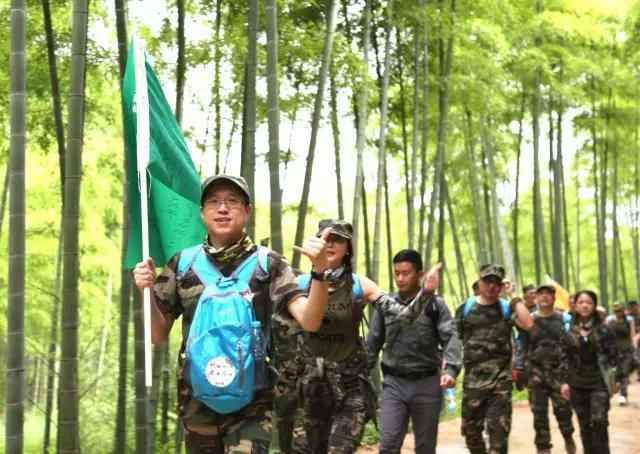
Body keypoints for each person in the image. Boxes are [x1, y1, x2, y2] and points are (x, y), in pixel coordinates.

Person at [133, 174, 332, 454]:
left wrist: (320, 271)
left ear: (247, 211)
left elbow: (310, 320)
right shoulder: (183, 264)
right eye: (213, 202)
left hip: (253, 401)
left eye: (232, 201)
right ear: (202, 213)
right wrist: (145, 292)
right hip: (197, 399)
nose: (223, 208)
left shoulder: (268, 263)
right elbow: (157, 334)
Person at [292, 220, 442, 454]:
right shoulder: (299, 284)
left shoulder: (359, 285)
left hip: (349, 387)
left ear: (347, 248)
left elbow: (403, 317)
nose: (330, 244)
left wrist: (426, 293)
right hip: (310, 388)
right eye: (325, 239)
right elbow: (282, 335)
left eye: (337, 240)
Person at [366, 249, 462, 454]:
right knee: (388, 446)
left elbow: (451, 338)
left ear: (419, 274)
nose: (400, 279)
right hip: (394, 384)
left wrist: (451, 370)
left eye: (406, 273)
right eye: (397, 273)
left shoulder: (435, 304)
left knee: (425, 448)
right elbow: (373, 342)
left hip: (427, 383)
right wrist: (359, 375)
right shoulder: (386, 305)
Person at [455, 264, 534, 454]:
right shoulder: (466, 308)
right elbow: (452, 340)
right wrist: (448, 368)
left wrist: (513, 296)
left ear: (501, 286)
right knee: (472, 436)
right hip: (473, 383)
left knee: (498, 437)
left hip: (500, 383)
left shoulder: (506, 308)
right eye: (487, 281)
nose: (492, 286)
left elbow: (529, 324)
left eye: (496, 283)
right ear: (480, 282)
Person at [562, 290, 618, 454]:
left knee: (599, 422)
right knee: (584, 425)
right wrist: (564, 382)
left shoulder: (604, 329)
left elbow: (614, 356)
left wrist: (616, 379)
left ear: (594, 306)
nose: (585, 306)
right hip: (577, 384)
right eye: (581, 302)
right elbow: (563, 357)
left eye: (589, 302)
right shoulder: (568, 330)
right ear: (575, 306)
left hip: (599, 383)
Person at [525, 285, 576, 454]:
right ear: (535, 298)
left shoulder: (564, 318)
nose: (544, 296)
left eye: (549, 294)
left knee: (563, 412)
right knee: (539, 414)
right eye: (541, 294)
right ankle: (543, 447)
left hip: (559, 374)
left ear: (554, 298)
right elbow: (521, 345)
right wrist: (519, 368)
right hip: (536, 374)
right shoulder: (529, 319)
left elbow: (573, 347)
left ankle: (568, 437)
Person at [606, 302, 636, 405]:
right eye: (616, 311)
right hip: (614, 351)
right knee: (617, 373)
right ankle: (618, 387)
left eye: (619, 310)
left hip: (627, 350)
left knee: (624, 371)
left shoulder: (629, 321)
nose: (618, 313)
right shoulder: (610, 321)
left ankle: (623, 395)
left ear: (623, 310)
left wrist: (634, 348)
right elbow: (606, 335)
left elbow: (632, 335)